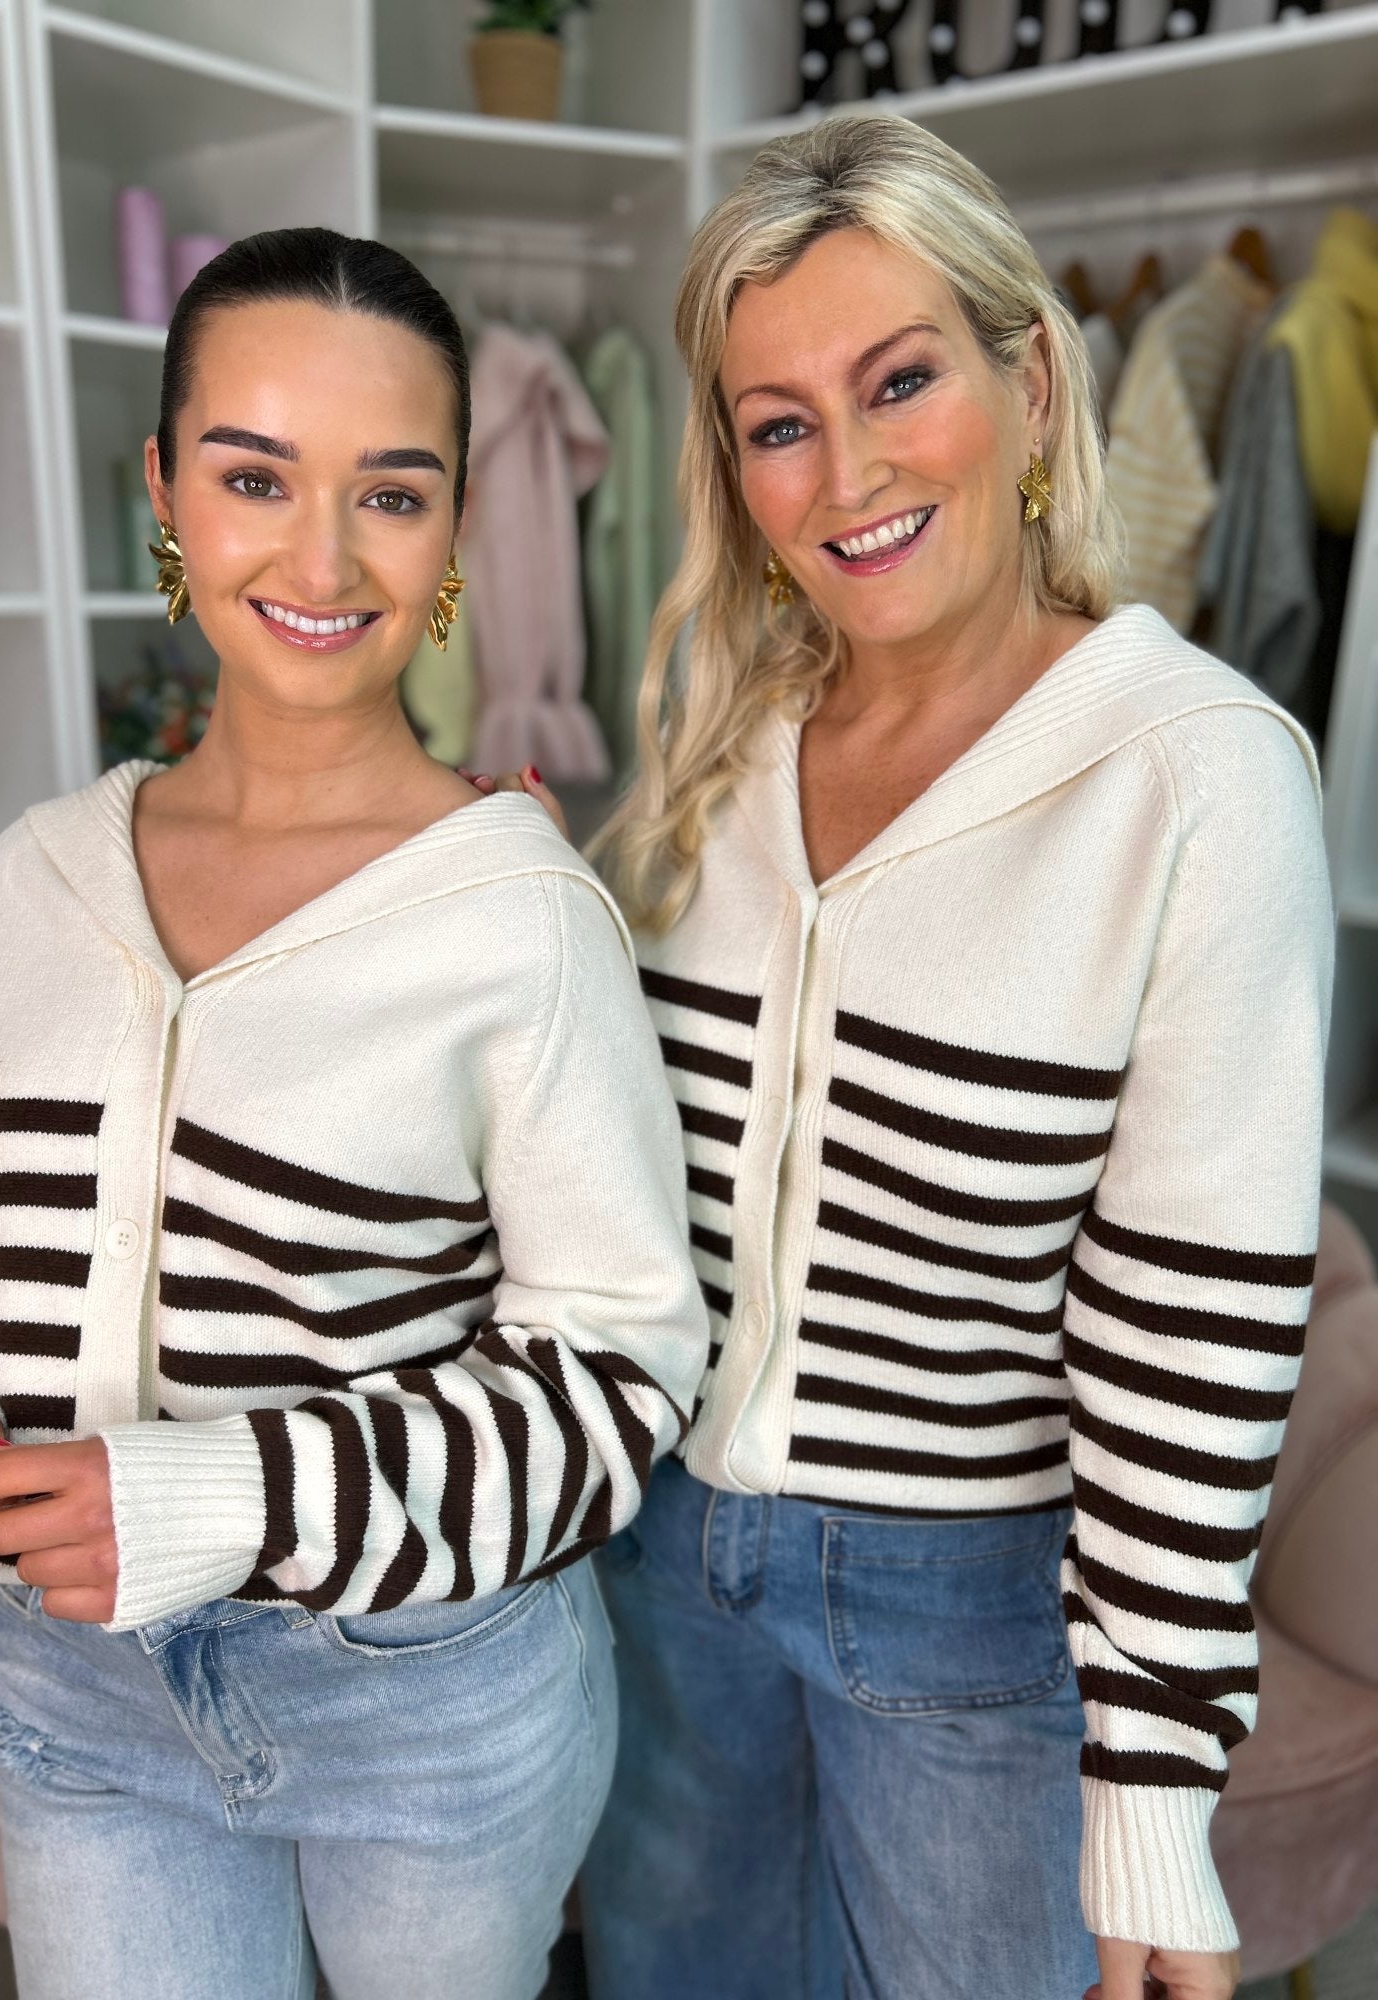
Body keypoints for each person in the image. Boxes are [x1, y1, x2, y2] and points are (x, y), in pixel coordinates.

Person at [485, 116, 1332, 2000]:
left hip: (974, 1610)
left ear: (1032, 385)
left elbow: (1189, 1333)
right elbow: (631, 1177)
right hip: (657, 1553)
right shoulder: (723, 746)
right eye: (779, 422)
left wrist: (1155, 1799)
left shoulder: (1194, 777)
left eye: (899, 383)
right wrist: (519, 935)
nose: (848, 472)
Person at [0, 227, 707, 2000]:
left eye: (390, 494)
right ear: (163, 485)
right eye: (255, 476)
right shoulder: (37, 882)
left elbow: (619, 1379)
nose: (322, 559)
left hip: (423, 1697)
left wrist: (221, 1495)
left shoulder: (521, 917)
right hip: (82, 1682)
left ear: (457, 526)